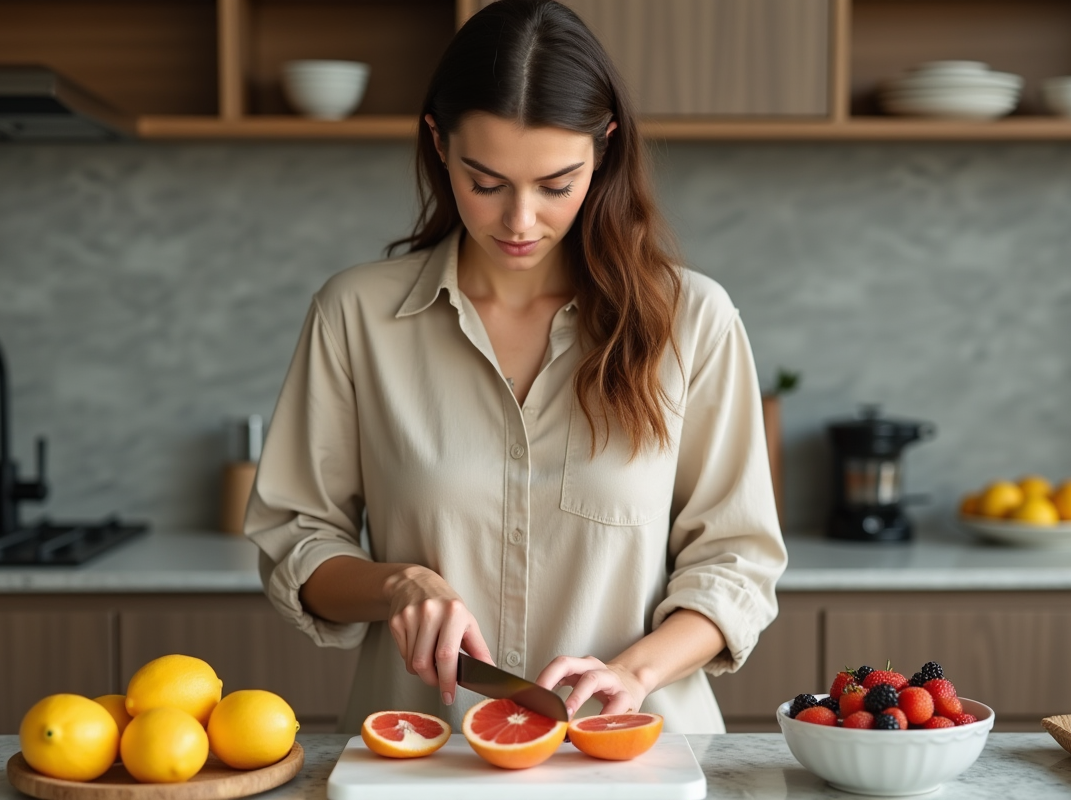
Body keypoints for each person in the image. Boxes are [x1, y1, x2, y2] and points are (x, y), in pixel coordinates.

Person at [244, 0, 787, 735]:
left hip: (634, 757)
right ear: (439, 144)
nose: (521, 221)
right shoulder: (356, 316)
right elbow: (296, 539)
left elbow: (736, 562)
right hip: (422, 757)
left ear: (604, 151)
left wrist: (635, 672)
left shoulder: (692, 320)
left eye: (556, 185)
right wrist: (399, 585)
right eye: (487, 183)